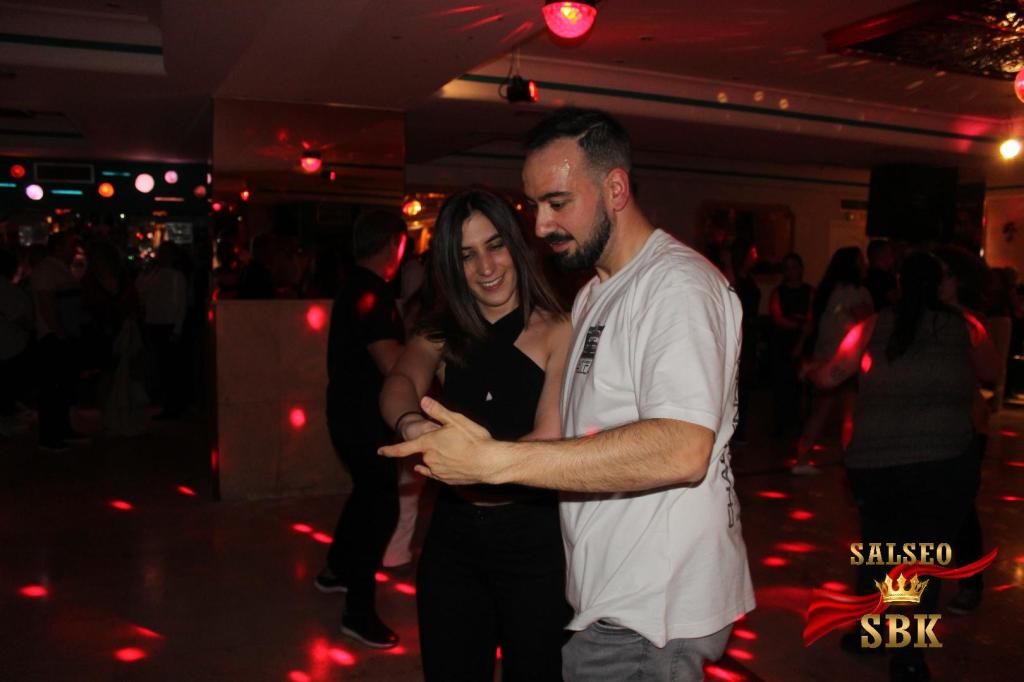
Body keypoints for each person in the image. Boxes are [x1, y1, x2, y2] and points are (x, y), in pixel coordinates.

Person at [381, 108, 755, 681]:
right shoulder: (595, 295)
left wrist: (492, 460)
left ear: (615, 189)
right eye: (535, 206)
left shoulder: (676, 285)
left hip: (651, 612)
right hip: (609, 601)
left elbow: (683, 448)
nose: (541, 226)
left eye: (557, 202)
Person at [380, 188, 572, 681]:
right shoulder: (442, 331)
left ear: (517, 245)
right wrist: (414, 424)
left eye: (495, 245)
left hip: (533, 540)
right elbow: (399, 381)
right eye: (467, 255)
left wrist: (476, 460)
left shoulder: (557, 329)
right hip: (453, 538)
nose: (486, 266)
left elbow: (549, 438)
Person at [807, 250, 999, 682]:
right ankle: (908, 657)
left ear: (898, 282)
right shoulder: (965, 327)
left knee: (880, 549)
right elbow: (992, 372)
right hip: (941, 461)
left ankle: (871, 633)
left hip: (875, 463)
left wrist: (810, 368)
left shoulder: (873, 325)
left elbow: (830, 376)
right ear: (940, 285)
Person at [315, 209, 408, 649]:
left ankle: (336, 568)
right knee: (381, 507)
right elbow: (392, 363)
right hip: (363, 420)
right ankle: (358, 611)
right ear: (394, 244)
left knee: (365, 494)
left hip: (346, 415)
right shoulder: (372, 291)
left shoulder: (355, 284)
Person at [793, 246, 872, 474]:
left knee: (821, 411)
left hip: (824, 355)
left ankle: (802, 458)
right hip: (846, 359)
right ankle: (850, 458)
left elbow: (813, 324)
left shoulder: (826, 291)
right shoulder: (856, 292)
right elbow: (866, 322)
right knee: (849, 413)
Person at [31, 232, 86, 452]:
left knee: (63, 386)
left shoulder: (61, 269)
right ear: (58, 248)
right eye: (71, 246)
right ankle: (50, 436)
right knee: (52, 388)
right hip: (53, 337)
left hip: (64, 334)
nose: (75, 251)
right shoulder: (47, 269)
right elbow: (46, 304)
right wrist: (58, 332)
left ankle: (62, 429)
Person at [137, 243, 188, 420]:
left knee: (169, 367)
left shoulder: (176, 276)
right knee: (160, 366)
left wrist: (177, 328)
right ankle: (167, 403)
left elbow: (180, 303)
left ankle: (173, 405)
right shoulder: (155, 274)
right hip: (154, 323)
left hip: (168, 324)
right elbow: (140, 289)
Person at [768, 252, 813, 436]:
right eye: (787, 268)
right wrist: (797, 323)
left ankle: (802, 424)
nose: (791, 271)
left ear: (801, 269)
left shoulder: (810, 291)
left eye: (794, 267)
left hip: (804, 340)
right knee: (782, 383)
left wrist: (801, 329)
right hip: (782, 342)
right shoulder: (778, 292)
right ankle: (781, 424)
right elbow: (777, 318)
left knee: (802, 385)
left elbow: (811, 317)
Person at [0, 248, 33, 437]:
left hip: (8, 345)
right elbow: (18, 316)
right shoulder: (5, 289)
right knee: (7, 387)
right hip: (8, 346)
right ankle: (6, 423)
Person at [864, 239, 897, 311]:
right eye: (891, 253)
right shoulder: (886, 278)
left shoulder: (864, 276)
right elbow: (895, 300)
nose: (893, 257)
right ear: (883, 255)